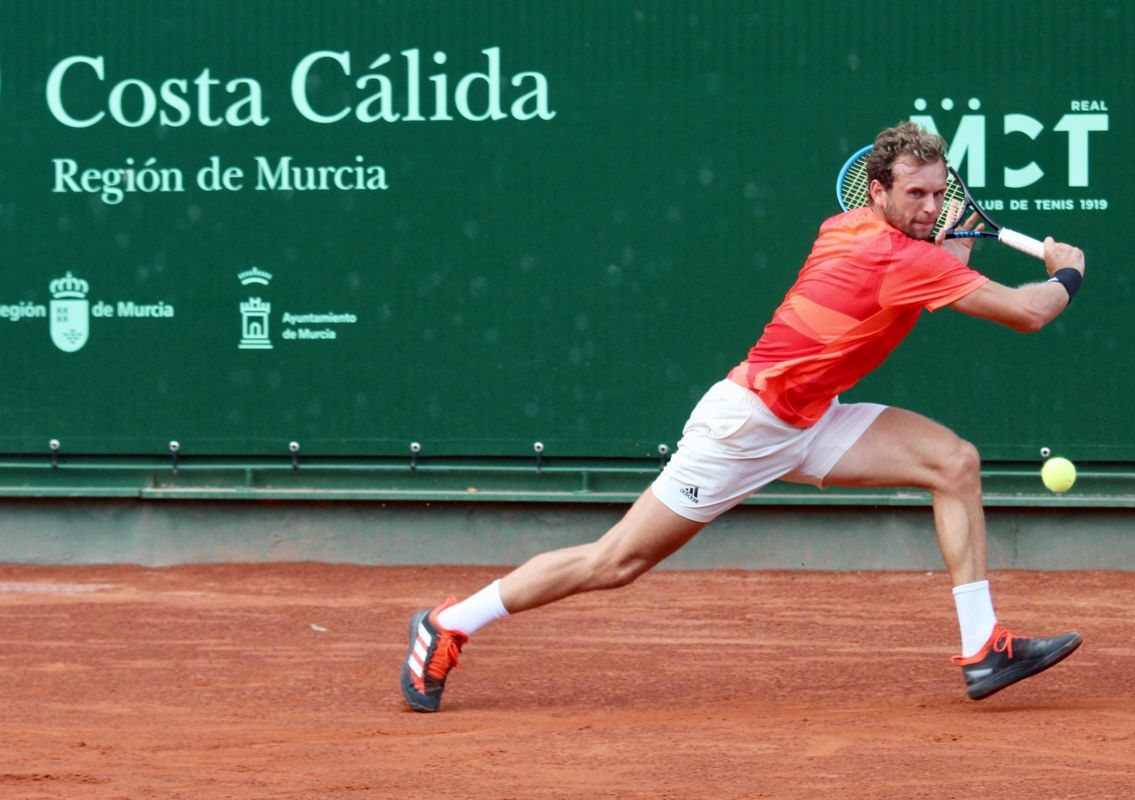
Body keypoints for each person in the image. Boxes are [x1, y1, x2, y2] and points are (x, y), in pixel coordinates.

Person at [401, 121, 1086, 712]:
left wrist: (952, 241)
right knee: (616, 561)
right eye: (915, 195)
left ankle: (982, 649)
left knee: (953, 461)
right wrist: (1064, 272)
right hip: (745, 426)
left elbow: (934, 266)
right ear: (876, 192)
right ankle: (448, 623)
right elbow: (1027, 313)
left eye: (940, 194)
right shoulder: (893, 255)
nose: (930, 206)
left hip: (813, 417)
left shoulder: (846, 227)